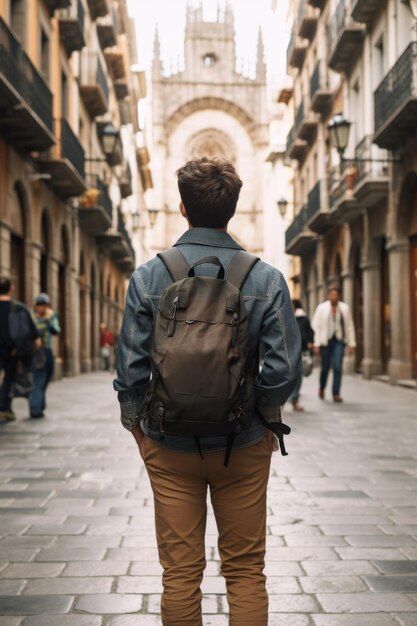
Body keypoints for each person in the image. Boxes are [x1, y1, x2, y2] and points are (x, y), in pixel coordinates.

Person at [114, 157, 302, 626]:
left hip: (168, 443)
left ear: (181, 207)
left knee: (179, 574)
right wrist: (260, 420)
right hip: (242, 444)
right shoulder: (266, 278)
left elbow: (131, 370)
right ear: (233, 210)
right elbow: (283, 371)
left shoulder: (149, 276)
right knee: (245, 572)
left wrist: (139, 429)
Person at [0, 277, 40, 421]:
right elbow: (35, 337)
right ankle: (4, 409)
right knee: (8, 379)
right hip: (12, 352)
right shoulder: (20, 308)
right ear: (12, 288)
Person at [311, 285, 356, 403]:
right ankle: (322, 387)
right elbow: (315, 326)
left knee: (337, 367)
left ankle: (336, 393)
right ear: (328, 296)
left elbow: (350, 326)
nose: (333, 297)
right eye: (331, 295)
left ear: (339, 296)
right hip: (325, 342)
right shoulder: (321, 308)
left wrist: (352, 343)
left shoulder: (345, 308)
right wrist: (316, 343)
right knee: (325, 368)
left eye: (335, 295)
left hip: (339, 341)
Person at [29, 293, 61, 418]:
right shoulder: (31, 316)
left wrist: (49, 321)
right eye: (40, 305)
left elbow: (57, 330)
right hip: (35, 352)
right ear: (36, 306)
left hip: (47, 351)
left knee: (46, 378)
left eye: (44, 305)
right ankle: (35, 408)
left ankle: (39, 405)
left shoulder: (51, 315)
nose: (42, 308)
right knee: (38, 380)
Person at [288, 298, 314, 411]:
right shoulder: (285, 315)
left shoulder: (303, 317)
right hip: (287, 349)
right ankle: (284, 399)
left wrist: (310, 341)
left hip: (301, 349)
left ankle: (295, 399)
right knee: (288, 375)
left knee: (298, 374)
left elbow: (309, 331)